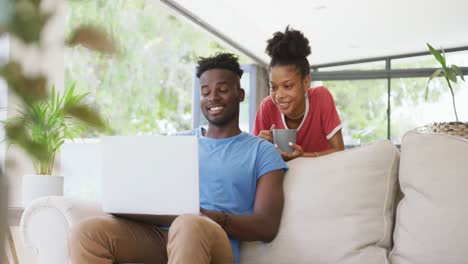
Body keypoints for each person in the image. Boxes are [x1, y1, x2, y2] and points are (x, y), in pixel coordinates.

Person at [69, 53, 287, 264]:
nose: (213, 97)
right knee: (87, 233)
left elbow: (267, 226)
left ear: (240, 94)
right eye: (205, 91)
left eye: (222, 89)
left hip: (213, 239)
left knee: (188, 223)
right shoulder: (177, 143)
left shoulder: (261, 151)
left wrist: (212, 216)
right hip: (161, 237)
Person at [253, 26, 345, 161]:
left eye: (287, 86)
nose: (279, 95)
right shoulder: (267, 107)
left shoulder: (321, 98)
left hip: (323, 176)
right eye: (273, 87)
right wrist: (259, 146)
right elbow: (254, 161)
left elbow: (340, 151)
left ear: (306, 82)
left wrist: (303, 157)